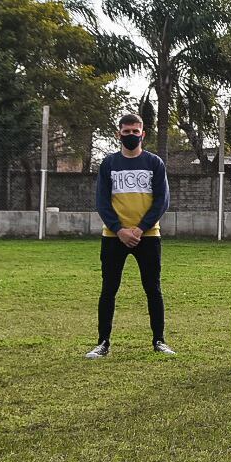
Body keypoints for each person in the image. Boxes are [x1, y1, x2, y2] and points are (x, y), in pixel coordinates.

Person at [88, 113, 171, 358]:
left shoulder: (155, 163)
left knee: (153, 289)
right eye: (127, 132)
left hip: (148, 236)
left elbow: (162, 201)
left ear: (143, 134)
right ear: (119, 134)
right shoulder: (108, 164)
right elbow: (102, 202)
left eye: (136, 132)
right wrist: (120, 230)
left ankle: (159, 340)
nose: (131, 136)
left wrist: (139, 228)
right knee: (109, 289)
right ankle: (103, 342)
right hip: (114, 237)